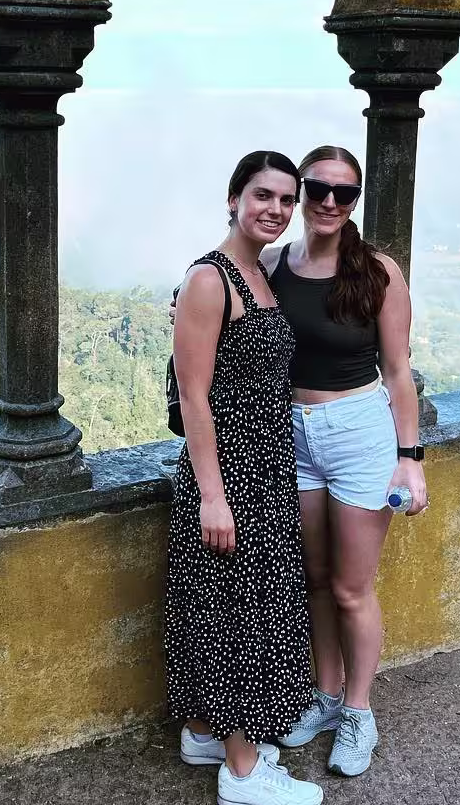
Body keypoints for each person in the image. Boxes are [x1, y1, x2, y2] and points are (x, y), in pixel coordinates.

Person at [165, 150, 323, 805]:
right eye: (263, 196)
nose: (277, 210)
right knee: (237, 616)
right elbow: (194, 396)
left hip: (264, 468)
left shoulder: (260, 273)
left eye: (287, 200)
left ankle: (204, 728)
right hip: (227, 472)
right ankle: (242, 769)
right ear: (233, 199)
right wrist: (212, 495)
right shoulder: (212, 279)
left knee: (236, 605)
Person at [268, 144, 428, 778]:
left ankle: (359, 711)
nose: (330, 201)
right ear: (300, 193)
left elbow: (398, 370)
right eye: (318, 188)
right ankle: (326, 695)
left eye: (345, 193)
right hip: (294, 432)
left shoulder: (376, 271)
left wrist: (409, 458)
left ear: (355, 202)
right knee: (314, 581)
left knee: (351, 587)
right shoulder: (277, 266)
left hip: (359, 431)